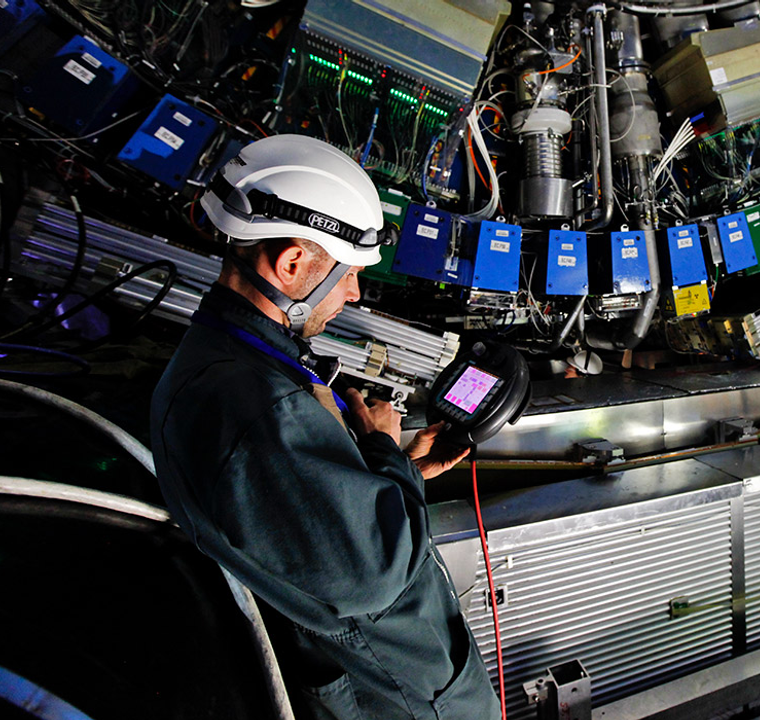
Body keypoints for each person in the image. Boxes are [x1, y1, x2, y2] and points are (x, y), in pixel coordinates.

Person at [149, 134, 500, 720]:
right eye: (348, 274)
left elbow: (307, 518)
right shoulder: (259, 407)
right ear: (291, 264)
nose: (354, 293)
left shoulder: (231, 359)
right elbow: (377, 574)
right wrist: (383, 449)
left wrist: (401, 471)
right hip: (401, 694)